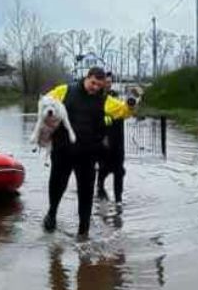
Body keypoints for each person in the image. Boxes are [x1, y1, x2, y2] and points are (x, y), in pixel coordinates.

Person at [41, 67, 133, 237]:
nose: (95, 88)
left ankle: (83, 231)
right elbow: (46, 102)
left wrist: (130, 105)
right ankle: (51, 214)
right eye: (93, 83)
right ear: (87, 77)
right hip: (63, 151)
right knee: (57, 185)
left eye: (99, 85)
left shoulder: (104, 100)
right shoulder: (65, 90)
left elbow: (121, 111)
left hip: (88, 155)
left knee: (86, 193)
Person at [96, 74, 139, 203]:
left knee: (119, 170)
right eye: (106, 82)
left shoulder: (118, 97)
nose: (108, 84)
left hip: (118, 140)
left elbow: (128, 110)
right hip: (104, 140)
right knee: (103, 168)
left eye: (110, 82)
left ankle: (118, 200)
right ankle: (100, 188)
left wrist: (133, 101)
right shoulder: (98, 99)